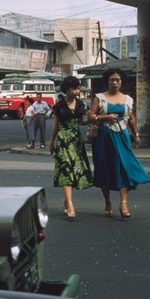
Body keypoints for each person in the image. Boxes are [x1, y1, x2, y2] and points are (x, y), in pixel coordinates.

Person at [88, 68, 150, 220]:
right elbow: (91, 117)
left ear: (121, 81)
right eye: (112, 80)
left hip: (122, 136)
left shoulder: (128, 99)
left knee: (124, 167)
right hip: (104, 137)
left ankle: (123, 203)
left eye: (117, 80)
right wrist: (105, 117)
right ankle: (108, 201)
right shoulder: (99, 98)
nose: (115, 82)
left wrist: (135, 134)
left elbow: (131, 118)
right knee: (104, 169)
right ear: (107, 81)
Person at [49, 76, 93, 220]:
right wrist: (51, 143)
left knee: (75, 170)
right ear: (67, 90)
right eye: (74, 88)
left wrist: (95, 121)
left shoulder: (80, 104)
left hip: (76, 141)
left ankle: (66, 200)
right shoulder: (59, 105)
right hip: (62, 139)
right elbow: (55, 126)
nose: (77, 91)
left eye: (78, 88)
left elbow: (81, 122)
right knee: (66, 169)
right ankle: (70, 203)